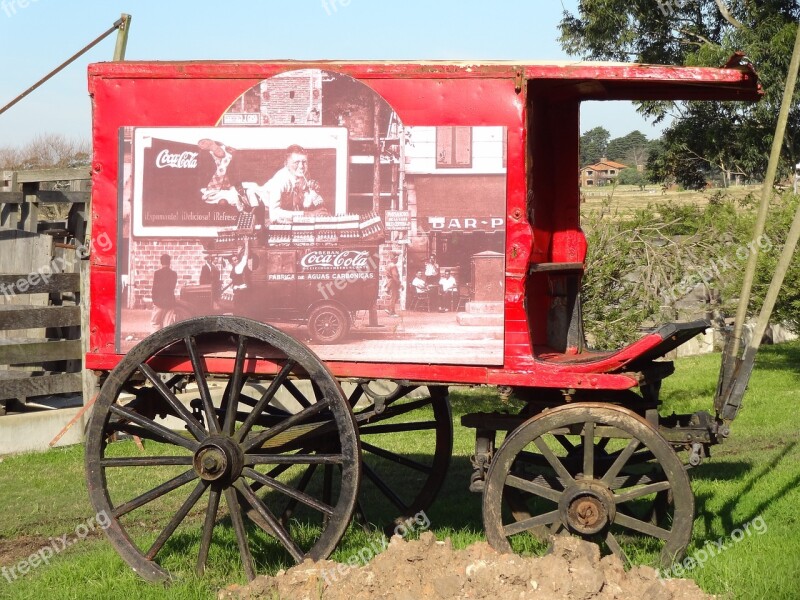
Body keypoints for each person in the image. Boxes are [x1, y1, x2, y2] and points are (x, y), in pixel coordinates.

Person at [247, 145, 327, 222]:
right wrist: (307, 214)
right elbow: (274, 215)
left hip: (286, 212)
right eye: (296, 162)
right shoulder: (280, 180)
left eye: (304, 162)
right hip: (260, 209)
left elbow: (304, 200)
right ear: (286, 164)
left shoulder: (304, 174)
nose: (301, 166)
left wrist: (313, 195)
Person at [151, 253, 178, 328]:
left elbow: (154, 289)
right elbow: (172, 287)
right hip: (170, 302)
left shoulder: (157, 273)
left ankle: (156, 339)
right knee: (168, 325)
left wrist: (154, 300)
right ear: (169, 263)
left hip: (158, 302)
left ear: (161, 262)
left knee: (155, 324)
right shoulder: (174, 274)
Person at [384, 252, 401, 317]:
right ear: (394, 258)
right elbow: (395, 275)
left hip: (390, 282)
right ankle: (392, 312)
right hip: (393, 282)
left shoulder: (389, 265)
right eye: (397, 257)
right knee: (393, 297)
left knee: (396, 297)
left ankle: (389, 308)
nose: (397, 259)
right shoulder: (393, 265)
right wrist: (399, 283)